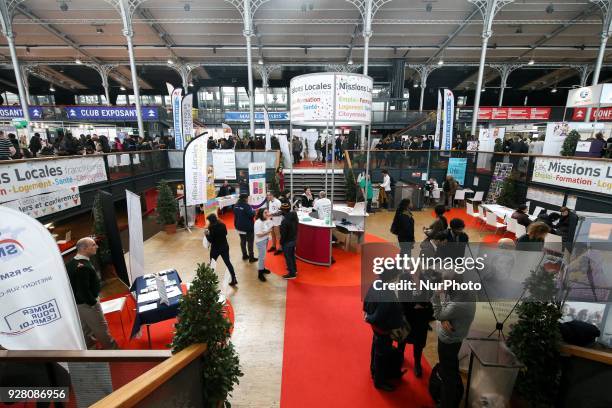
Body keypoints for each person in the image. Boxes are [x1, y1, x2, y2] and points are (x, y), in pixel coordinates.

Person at [65, 237, 118, 349]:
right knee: (100, 327)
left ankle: (91, 348)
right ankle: (112, 349)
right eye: (93, 245)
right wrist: (93, 303)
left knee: (85, 328)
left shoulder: (71, 263)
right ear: (84, 248)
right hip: (87, 304)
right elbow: (83, 290)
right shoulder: (82, 267)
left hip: (78, 304)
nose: (97, 247)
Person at [431, 275, 476, 408]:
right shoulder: (464, 291)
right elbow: (445, 310)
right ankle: (455, 396)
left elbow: (438, 314)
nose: (443, 285)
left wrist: (436, 295)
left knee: (447, 375)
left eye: (445, 283)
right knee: (451, 368)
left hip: (448, 341)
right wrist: (445, 318)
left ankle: (447, 403)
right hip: (455, 338)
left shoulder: (458, 304)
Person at [364, 269, 408, 392]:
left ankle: (373, 369)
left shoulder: (376, 283)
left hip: (376, 328)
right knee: (381, 354)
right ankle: (379, 381)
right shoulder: (387, 294)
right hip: (384, 329)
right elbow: (380, 315)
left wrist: (367, 315)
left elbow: (367, 302)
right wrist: (369, 318)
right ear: (391, 277)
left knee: (376, 348)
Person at [204, 213, 237, 286]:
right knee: (228, 263)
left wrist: (206, 234)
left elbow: (211, 240)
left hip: (215, 249)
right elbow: (225, 233)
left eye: (208, 220)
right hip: (224, 246)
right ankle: (234, 278)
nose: (207, 222)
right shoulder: (223, 224)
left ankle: (211, 281)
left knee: (212, 263)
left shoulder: (211, 228)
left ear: (211, 220)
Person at [234, 193, 257, 263]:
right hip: (247, 227)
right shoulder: (247, 206)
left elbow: (236, 215)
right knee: (250, 242)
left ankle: (244, 255)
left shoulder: (236, 205)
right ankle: (251, 257)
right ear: (245, 198)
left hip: (239, 226)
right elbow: (251, 215)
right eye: (247, 198)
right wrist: (254, 211)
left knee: (242, 241)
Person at [254, 208, 273, 282]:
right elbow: (258, 234)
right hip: (260, 241)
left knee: (263, 256)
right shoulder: (258, 222)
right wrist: (268, 232)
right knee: (262, 257)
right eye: (265, 212)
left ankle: (263, 268)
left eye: (267, 212)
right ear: (261, 213)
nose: (267, 213)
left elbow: (270, 225)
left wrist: (269, 220)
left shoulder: (265, 220)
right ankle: (260, 273)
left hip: (265, 240)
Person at [280, 203, 298, 279]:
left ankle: (292, 273)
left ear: (284, 211)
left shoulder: (284, 222)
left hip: (287, 242)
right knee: (292, 256)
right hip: (294, 239)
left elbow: (283, 235)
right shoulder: (295, 217)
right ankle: (294, 269)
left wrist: (281, 242)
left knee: (288, 257)